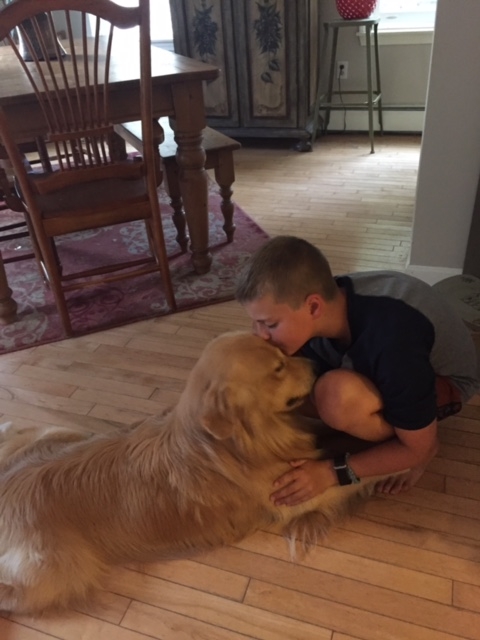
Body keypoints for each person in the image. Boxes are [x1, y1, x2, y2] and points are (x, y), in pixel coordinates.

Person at [235, 236, 480, 506]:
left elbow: (415, 448)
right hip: (388, 363)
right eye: (256, 323)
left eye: (269, 324)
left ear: (313, 306)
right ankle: (382, 431)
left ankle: (416, 438)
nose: (260, 335)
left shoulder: (392, 341)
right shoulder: (322, 307)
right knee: (282, 387)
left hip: (444, 382)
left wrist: (329, 473)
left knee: (336, 396)